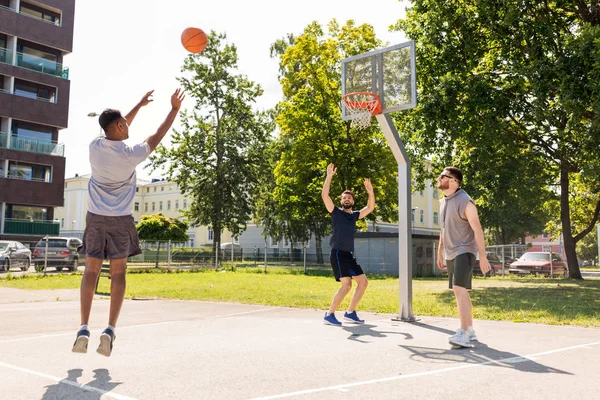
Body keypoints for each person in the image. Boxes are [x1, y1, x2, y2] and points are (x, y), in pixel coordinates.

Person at [72, 89, 185, 357]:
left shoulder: (95, 147)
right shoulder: (131, 154)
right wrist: (173, 110)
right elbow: (157, 136)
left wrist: (138, 106)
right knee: (119, 273)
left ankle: (83, 328)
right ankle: (110, 329)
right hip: (121, 220)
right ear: (121, 125)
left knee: (91, 271)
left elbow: (118, 127)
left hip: (96, 218)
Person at [436, 166, 490, 348]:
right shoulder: (443, 201)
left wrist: (482, 256)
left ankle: (463, 332)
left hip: (465, 250)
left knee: (459, 289)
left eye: (442, 176)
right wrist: (440, 250)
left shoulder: (465, 201)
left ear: (453, 180)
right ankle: (470, 329)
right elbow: (443, 229)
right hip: (451, 251)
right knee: (461, 291)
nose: (438, 179)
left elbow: (477, 228)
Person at [321, 163, 375, 326]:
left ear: (352, 201)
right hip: (337, 253)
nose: (347, 199)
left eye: (349, 198)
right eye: (344, 197)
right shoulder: (335, 212)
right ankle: (329, 315)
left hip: (348, 255)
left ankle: (350, 313)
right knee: (347, 286)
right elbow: (325, 195)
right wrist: (329, 177)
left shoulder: (355, 215)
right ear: (341, 200)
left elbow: (370, 207)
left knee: (363, 282)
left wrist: (370, 192)